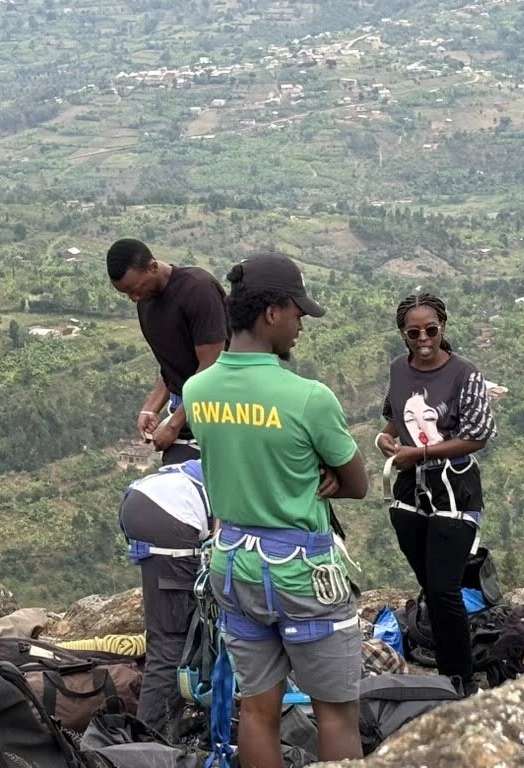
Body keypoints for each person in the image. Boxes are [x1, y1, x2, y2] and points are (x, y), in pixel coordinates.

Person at [183, 252, 368, 768]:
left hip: (232, 565)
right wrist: (316, 473)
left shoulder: (198, 391)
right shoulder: (308, 398)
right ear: (271, 313)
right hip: (301, 573)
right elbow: (355, 483)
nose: (300, 326)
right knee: (336, 714)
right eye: (298, 314)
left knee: (258, 710)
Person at [375, 293, 496, 697]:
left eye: (431, 329)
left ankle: (459, 680)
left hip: (454, 489)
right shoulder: (398, 369)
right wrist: (384, 440)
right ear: (402, 334)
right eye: (414, 332)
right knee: (431, 584)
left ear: (443, 327)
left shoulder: (464, 373)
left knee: (444, 588)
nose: (423, 338)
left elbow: (476, 436)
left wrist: (421, 452)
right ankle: (446, 668)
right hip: (410, 492)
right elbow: (394, 419)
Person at [107, 238, 228, 465]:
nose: (133, 298)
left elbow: (212, 368)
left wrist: (173, 425)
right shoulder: (146, 302)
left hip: (221, 411)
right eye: (126, 293)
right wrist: (150, 409)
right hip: (186, 408)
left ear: (153, 267)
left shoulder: (197, 290)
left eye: (135, 290)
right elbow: (171, 365)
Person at [118, 459, 211, 739]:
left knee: (182, 633)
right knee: (173, 641)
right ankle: (148, 744)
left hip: (149, 500)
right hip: (173, 513)